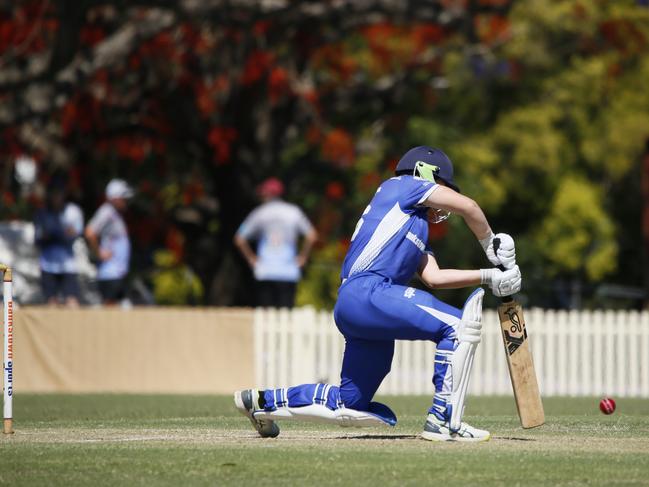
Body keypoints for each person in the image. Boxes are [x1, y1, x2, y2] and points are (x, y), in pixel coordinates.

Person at [234, 146, 521, 442]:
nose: (444, 199)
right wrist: (490, 245)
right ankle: (443, 420)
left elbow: (434, 278)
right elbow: (470, 207)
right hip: (369, 292)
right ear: (426, 174)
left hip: (357, 305)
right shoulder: (403, 186)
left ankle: (261, 401)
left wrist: (490, 277)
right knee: (458, 326)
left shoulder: (413, 223)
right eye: (442, 186)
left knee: (350, 403)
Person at [234, 177, 318, 308]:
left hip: (265, 270)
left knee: (265, 317)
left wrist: (251, 259)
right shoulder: (293, 212)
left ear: (268, 194)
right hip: (289, 270)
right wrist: (303, 257)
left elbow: (239, 238)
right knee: (286, 317)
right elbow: (312, 235)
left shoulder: (260, 213)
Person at [33, 180, 84, 306]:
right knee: (51, 303)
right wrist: (55, 234)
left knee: (72, 301)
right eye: (53, 194)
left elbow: (74, 234)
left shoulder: (73, 211)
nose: (56, 197)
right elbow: (38, 238)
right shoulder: (42, 213)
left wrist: (58, 233)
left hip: (68, 264)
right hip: (48, 265)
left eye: (59, 194)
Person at [85, 179, 133, 305]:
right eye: (123, 198)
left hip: (119, 272)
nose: (125, 201)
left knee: (124, 308)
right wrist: (99, 253)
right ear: (114, 198)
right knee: (110, 310)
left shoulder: (115, 214)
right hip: (110, 273)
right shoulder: (106, 212)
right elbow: (90, 232)